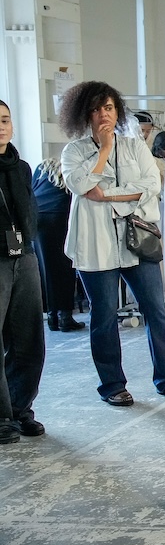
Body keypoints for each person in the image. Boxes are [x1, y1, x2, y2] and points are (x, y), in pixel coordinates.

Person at [60, 81, 165, 407]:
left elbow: (151, 184)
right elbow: (82, 185)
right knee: (102, 316)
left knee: (156, 309)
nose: (103, 115)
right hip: (94, 245)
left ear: (118, 111)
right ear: (84, 114)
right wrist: (101, 152)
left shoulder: (134, 147)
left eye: (109, 108)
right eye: (97, 109)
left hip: (137, 242)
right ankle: (112, 385)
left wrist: (107, 197)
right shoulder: (73, 152)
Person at [0, 100, 46, 444]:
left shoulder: (22, 167)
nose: (1, 126)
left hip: (24, 255)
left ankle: (20, 410)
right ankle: (2, 417)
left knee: (29, 339)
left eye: (5, 120)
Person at [31, 157, 84, 332]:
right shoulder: (73, 166)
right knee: (64, 267)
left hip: (37, 218)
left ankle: (52, 317)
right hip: (59, 216)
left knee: (44, 269)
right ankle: (65, 317)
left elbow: (31, 190)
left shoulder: (42, 167)